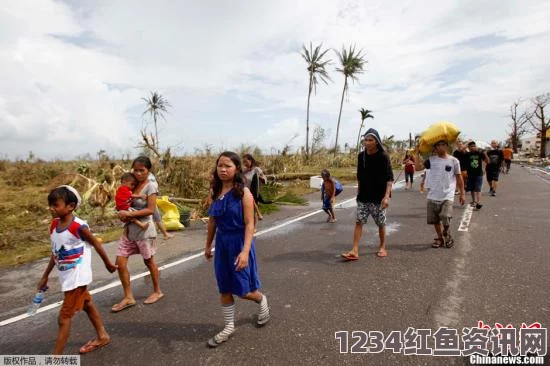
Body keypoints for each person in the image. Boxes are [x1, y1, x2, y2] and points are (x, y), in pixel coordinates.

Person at [37, 185, 117, 354]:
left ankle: (55, 359)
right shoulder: (53, 226)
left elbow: (95, 242)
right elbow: (56, 252)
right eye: (50, 205)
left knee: (63, 318)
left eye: (55, 205)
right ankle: (102, 336)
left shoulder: (78, 227)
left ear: (70, 206)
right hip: (67, 276)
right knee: (87, 303)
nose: (51, 208)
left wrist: (108, 263)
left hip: (77, 278)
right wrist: (45, 276)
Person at [205, 152, 270, 347]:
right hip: (222, 244)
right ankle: (228, 326)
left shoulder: (243, 193)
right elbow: (212, 221)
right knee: (224, 287)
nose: (223, 170)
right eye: (220, 166)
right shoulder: (215, 192)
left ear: (236, 169)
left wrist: (244, 251)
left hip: (239, 243)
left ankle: (262, 300)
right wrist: (208, 245)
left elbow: (250, 224)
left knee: (244, 290)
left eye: (228, 166)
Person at [112, 156, 164, 312]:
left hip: (144, 231)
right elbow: (122, 202)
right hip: (129, 231)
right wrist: (121, 212)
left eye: (142, 170)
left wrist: (129, 215)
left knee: (149, 262)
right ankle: (128, 297)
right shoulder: (130, 184)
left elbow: (150, 209)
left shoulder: (151, 187)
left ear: (148, 171)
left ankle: (157, 291)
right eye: (136, 170)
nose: (139, 173)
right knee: (120, 264)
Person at [341, 128, 394, 260]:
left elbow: (389, 178)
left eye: (370, 140)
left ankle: (382, 247)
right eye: (365, 140)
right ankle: (354, 250)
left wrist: (387, 197)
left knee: (381, 223)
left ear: (377, 142)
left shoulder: (383, 156)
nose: (367, 142)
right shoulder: (361, 156)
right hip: (363, 197)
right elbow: (359, 175)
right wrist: (358, 191)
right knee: (359, 221)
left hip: (378, 198)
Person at [423, 141, 466, 248]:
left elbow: (459, 177)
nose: (439, 147)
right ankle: (440, 238)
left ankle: (447, 233)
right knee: (435, 220)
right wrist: (417, 152)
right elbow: (418, 168)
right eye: (437, 145)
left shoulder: (454, 160)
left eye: (441, 144)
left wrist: (462, 193)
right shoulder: (431, 160)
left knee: (445, 216)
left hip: (448, 194)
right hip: (433, 194)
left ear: (446, 146)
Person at [242, 154, 268, 224]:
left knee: (253, 211)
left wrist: (261, 178)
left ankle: (253, 227)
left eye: (246, 161)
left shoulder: (256, 170)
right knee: (245, 211)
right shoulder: (243, 172)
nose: (244, 164)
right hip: (244, 192)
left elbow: (265, 179)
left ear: (250, 160)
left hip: (254, 192)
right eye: (243, 162)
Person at [148, 172, 175, 240]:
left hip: (151, 197)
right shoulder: (145, 175)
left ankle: (164, 234)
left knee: (156, 217)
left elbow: (153, 185)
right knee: (155, 217)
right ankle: (163, 234)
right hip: (149, 198)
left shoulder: (150, 174)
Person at [465, 141, 488, 210]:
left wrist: (485, 153)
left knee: (478, 189)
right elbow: (461, 150)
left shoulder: (480, 153)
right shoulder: (467, 154)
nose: (473, 147)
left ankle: (478, 202)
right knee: (472, 189)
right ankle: (474, 201)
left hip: (479, 174)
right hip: (470, 174)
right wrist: (466, 144)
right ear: (468, 148)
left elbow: (487, 161)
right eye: (471, 146)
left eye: (474, 146)